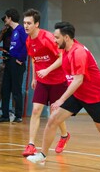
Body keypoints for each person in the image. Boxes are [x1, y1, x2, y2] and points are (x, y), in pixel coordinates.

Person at [27, 21, 100, 170]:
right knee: (53, 120)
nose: (54, 40)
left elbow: (78, 80)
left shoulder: (78, 52)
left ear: (66, 37)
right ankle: (42, 156)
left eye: (57, 38)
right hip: (78, 94)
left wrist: (61, 99)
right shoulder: (65, 50)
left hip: (94, 95)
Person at [21, 9, 69, 157]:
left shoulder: (47, 38)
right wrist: (35, 77)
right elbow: (34, 59)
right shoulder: (29, 40)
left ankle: (64, 135)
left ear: (37, 24)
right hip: (42, 80)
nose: (26, 26)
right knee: (36, 111)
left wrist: (47, 70)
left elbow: (63, 58)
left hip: (57, 80)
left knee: (55, 114)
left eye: (29, 23)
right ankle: (30, 145)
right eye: (24, 23)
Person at [0, 8, 27, 123]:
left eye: (6, 17)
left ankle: (18, 115)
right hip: (9, 62)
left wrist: (21, 59)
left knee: (16, 89)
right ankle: (5, 115)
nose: (5, 20)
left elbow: (27, 45)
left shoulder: (21, 30)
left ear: (9, 18)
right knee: (5, 89)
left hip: (17, 63)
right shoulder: (11, 30)